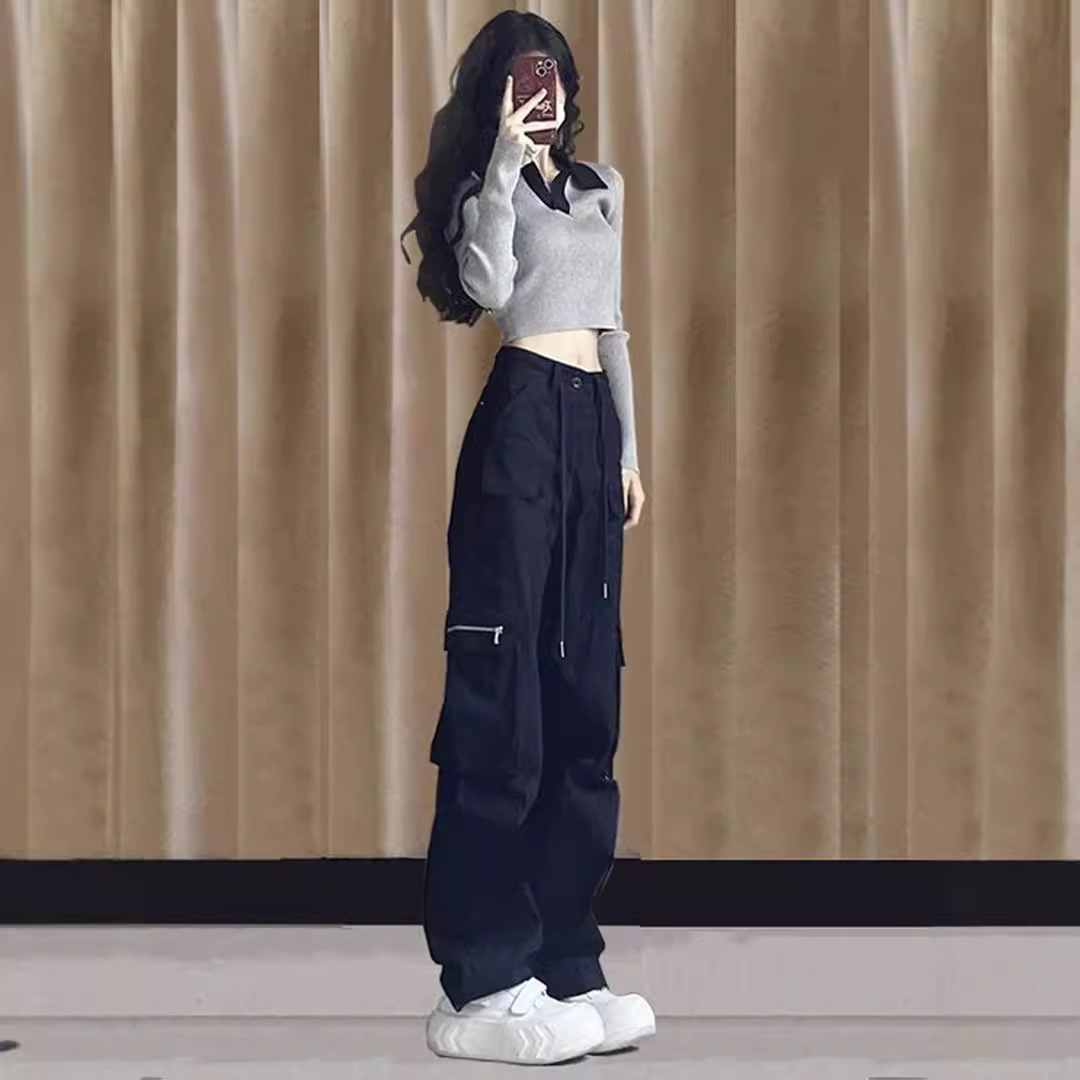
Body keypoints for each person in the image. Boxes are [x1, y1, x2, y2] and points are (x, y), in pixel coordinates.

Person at [400, 9, 652, 1066]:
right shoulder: (483, 192)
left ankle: (562, 961)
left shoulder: (601, 188)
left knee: (585, 700)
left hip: (590, 433)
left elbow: (613, 325)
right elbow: (493, 289)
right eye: (520, 80)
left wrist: (628, 449)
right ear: (500, 91)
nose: (539, 95)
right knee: (503, 698)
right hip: (520, 426)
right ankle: (483, 977)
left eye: (549, 78)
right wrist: (503, 164)